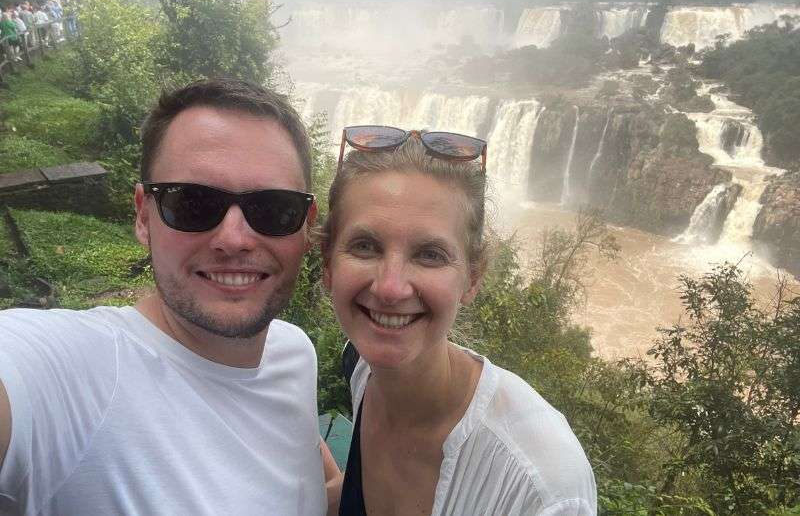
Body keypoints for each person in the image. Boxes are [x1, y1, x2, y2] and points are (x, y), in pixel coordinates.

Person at [0, 79, 339, 515]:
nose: (234, 239)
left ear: (306, 226)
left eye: (273, 209)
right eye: (193, 203)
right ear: (144, 216)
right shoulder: (72, 377)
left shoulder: (294, 352)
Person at [320, 126, 597, 515]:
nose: (390, 288)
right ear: (327, 261)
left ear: (473, 277)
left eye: (429, 254)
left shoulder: (540, 487)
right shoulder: (362, 366)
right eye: (365, 246)